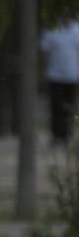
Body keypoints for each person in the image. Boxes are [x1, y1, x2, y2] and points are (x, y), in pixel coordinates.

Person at [39, 15, 79, 146]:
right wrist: (44, 70)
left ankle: (67, 135)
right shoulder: (52, 30)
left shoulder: (76, 30)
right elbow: (44, 51)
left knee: (69, 106)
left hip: (72, 76)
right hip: (55, 76)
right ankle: (56, 135)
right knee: (55, 106)